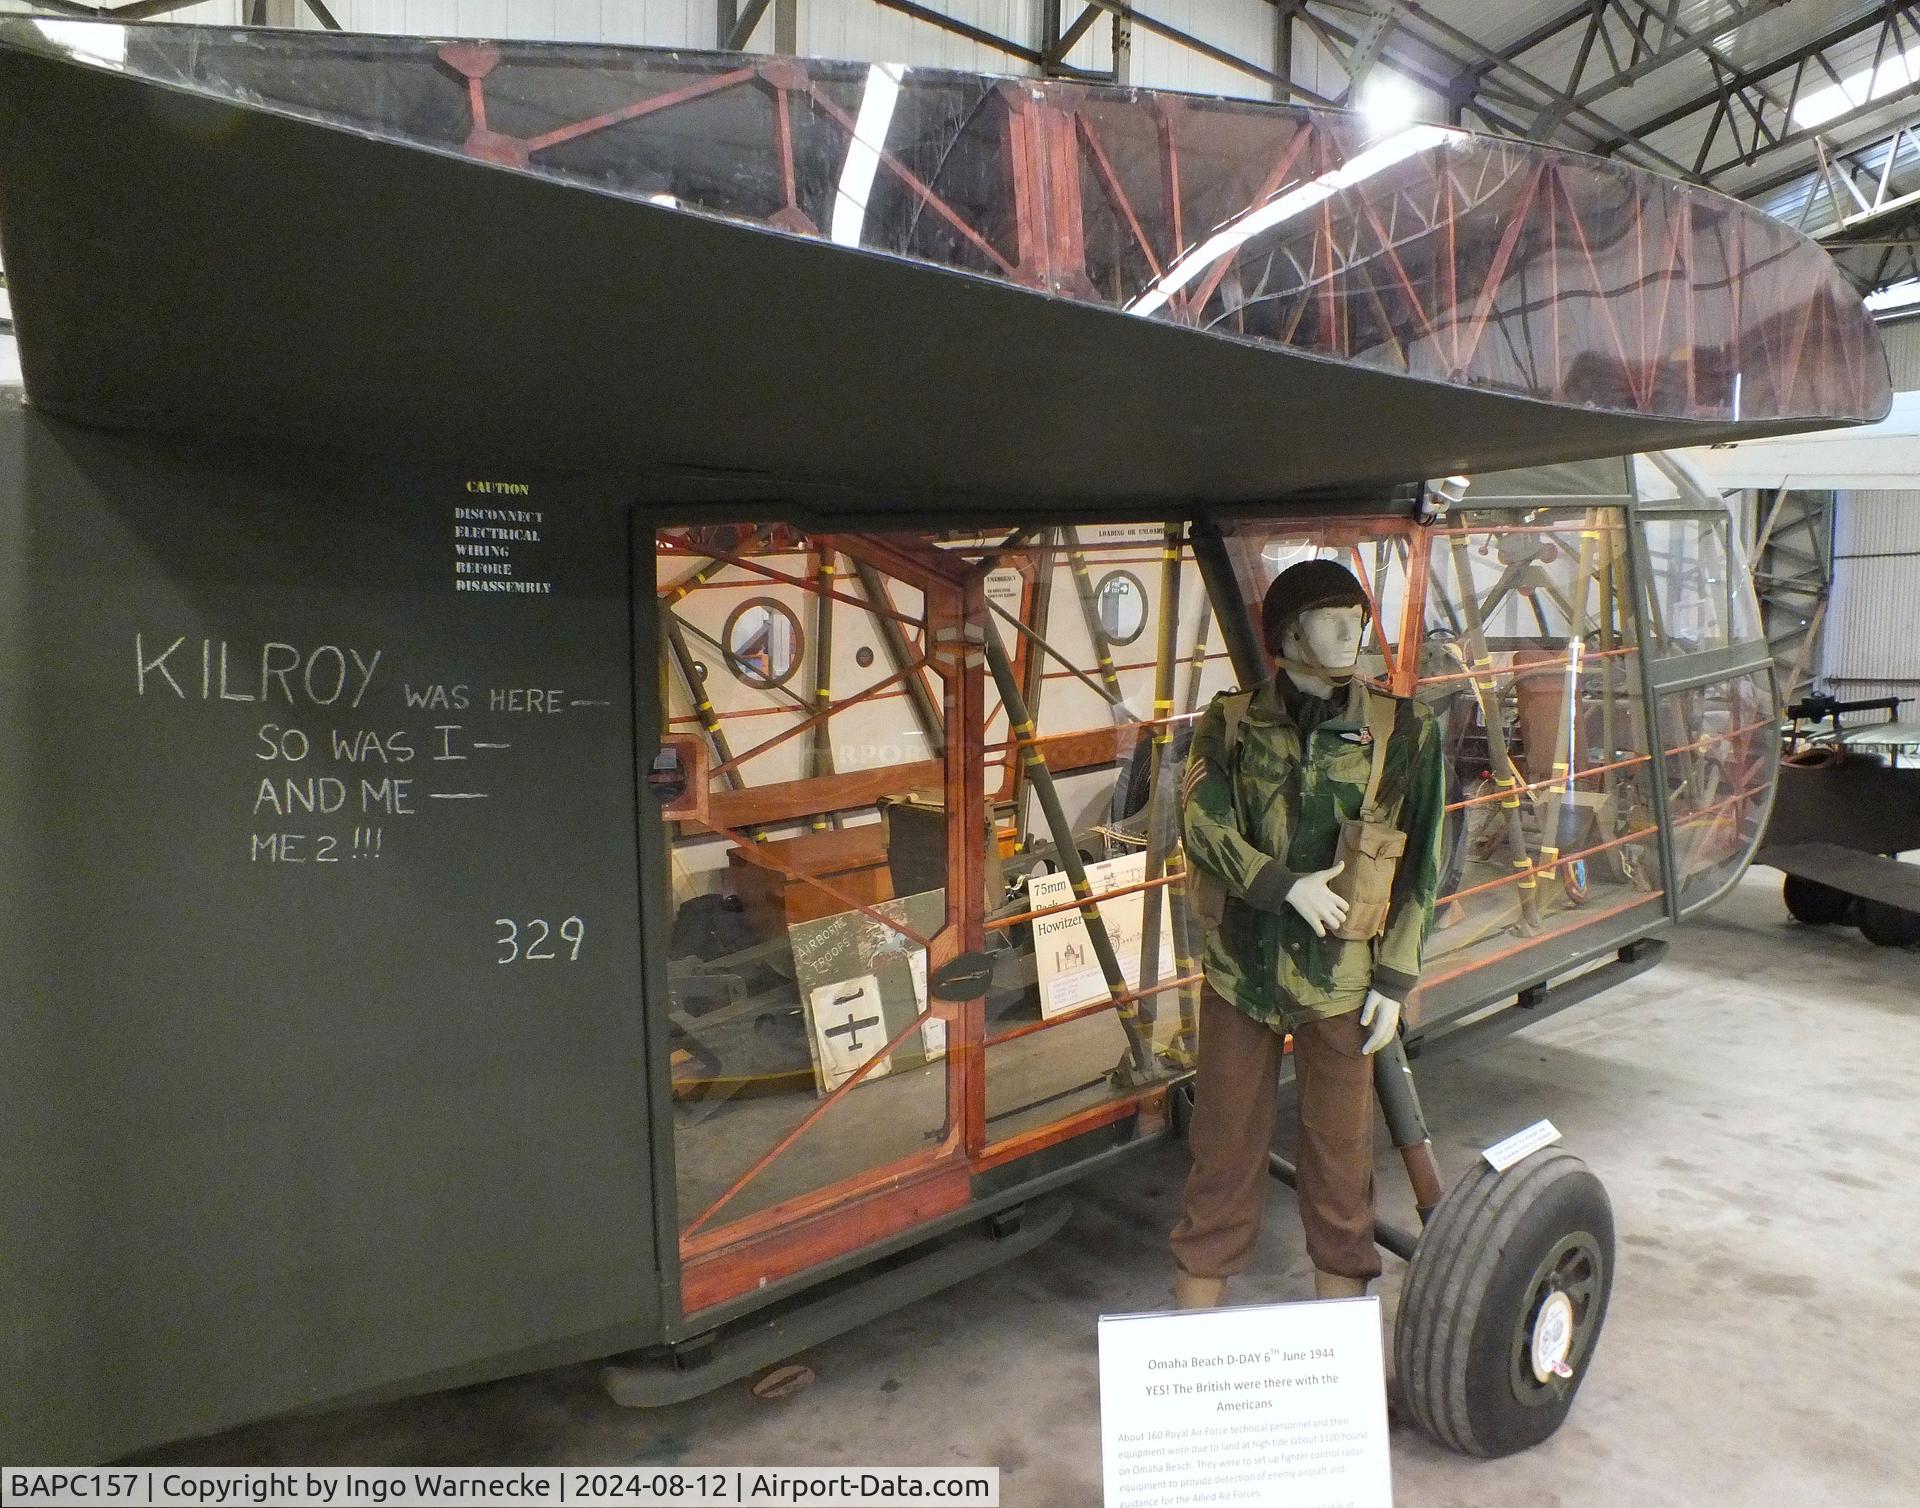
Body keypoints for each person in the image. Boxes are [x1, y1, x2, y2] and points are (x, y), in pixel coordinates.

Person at [1170, 559, 1445, 1307]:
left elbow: (1425, 863)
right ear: (1287, 634)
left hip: (1342, 981)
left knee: (1342, 1161)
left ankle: (1339, 1354)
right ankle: (1192, 1345)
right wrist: (1281, 885)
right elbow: (1201, 824)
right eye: (1330, 617)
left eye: (1357, 616)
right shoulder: (1229, 723)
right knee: (1222, 1150)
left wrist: (1395, 976)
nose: (1351, 630)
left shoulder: (1404, 730)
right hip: (1242, 972)